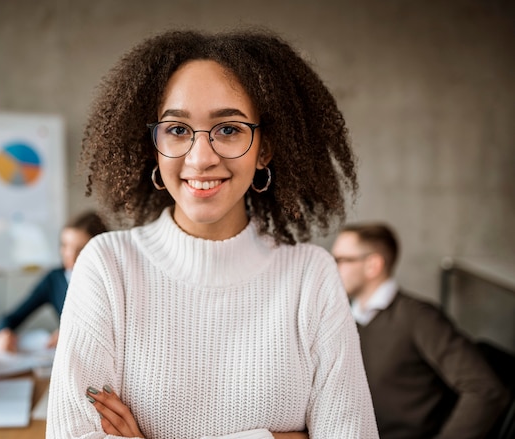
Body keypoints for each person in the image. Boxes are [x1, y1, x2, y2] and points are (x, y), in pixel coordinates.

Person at [46, 29, 379, 439]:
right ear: (154, 146)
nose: (201, 158)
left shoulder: (311, 276)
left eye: (228, 129)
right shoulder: (107, 266)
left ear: (265, 148)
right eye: (177, 130)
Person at [331, 222, 509, 438]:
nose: (332, 268)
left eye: (340, 260)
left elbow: (485, 390)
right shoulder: (342, 318)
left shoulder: (419, 319)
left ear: (373, 265)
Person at [0, 210, 107, 352]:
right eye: (65, 245)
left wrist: (72, 335)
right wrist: (3, 332)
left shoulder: (109, 282)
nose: (69, 255)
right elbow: (13, 317)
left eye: (81, 248)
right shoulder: (54, 280)